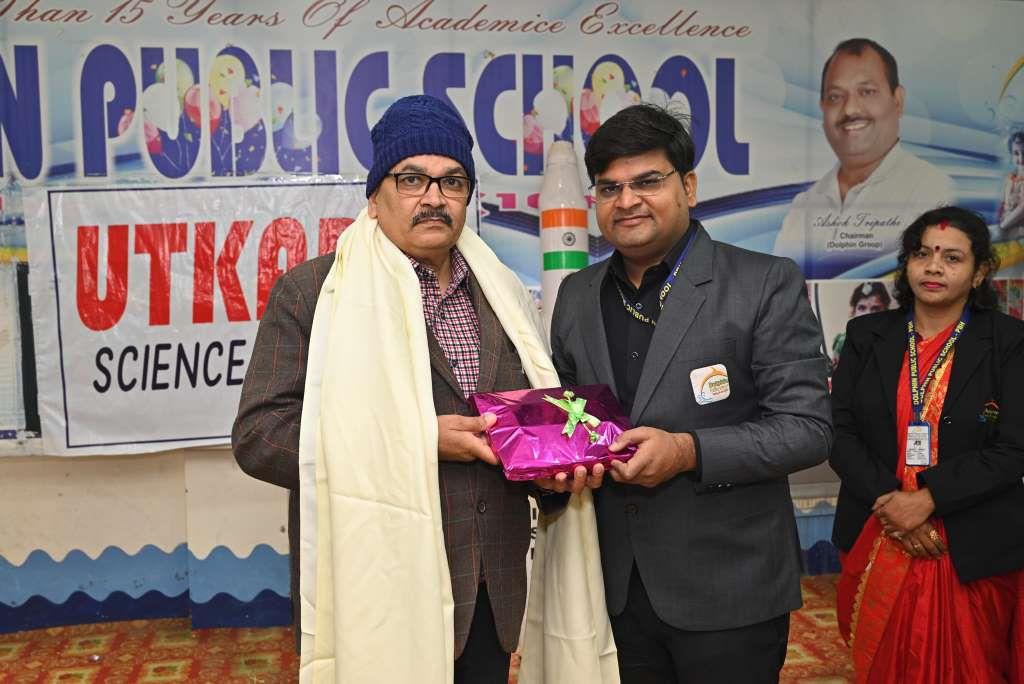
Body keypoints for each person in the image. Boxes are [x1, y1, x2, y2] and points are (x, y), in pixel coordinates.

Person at [232, 94, 611, 683]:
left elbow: (525, 424)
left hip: (489, 590)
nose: (434, 197)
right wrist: (416, 440)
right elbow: (260, 437)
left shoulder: (505, 293)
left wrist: (555, 471)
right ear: (375, 195)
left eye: (452, 181)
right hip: (374, 584)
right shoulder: (314, 294)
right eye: (412, 179)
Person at [547, 103, 833, 682]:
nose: (627, 201)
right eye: (609, 188)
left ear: (689, 187)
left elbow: (807, 429)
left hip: (730, 588)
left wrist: (687, 451)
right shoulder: (577, 294)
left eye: (648, 181)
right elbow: (570, 414)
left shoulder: (762, 282)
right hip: (615, 587)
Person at [830, 206, 1024, 682]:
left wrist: (929, 499)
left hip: (972, 538)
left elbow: (1014, 447)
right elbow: (838, 429)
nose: (933, 267)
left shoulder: (1009, 341)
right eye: (922, 254)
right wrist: (892, 503)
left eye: (952, 258)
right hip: (877, 524)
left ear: (979, 272)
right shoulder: (867, 335)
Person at [774, 38, 953, 279]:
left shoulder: (934, 191)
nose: (850, 109)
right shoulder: (803, 208)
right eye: (835, 97)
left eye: (866, 92)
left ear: (898, 100)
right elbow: (781, 291)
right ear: (822, 108)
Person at [831, 281, 892, 368]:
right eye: (862, 308)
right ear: (853, 312)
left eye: (875, 309)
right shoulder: (841, 341)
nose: (868, 314)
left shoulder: (893, 342)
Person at [998, 129, 1024, 237]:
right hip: (1007, 225)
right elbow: (1004, 203)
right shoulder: (1010, 178)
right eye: (1016, 153)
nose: (1021, 158)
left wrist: (1002, 227)